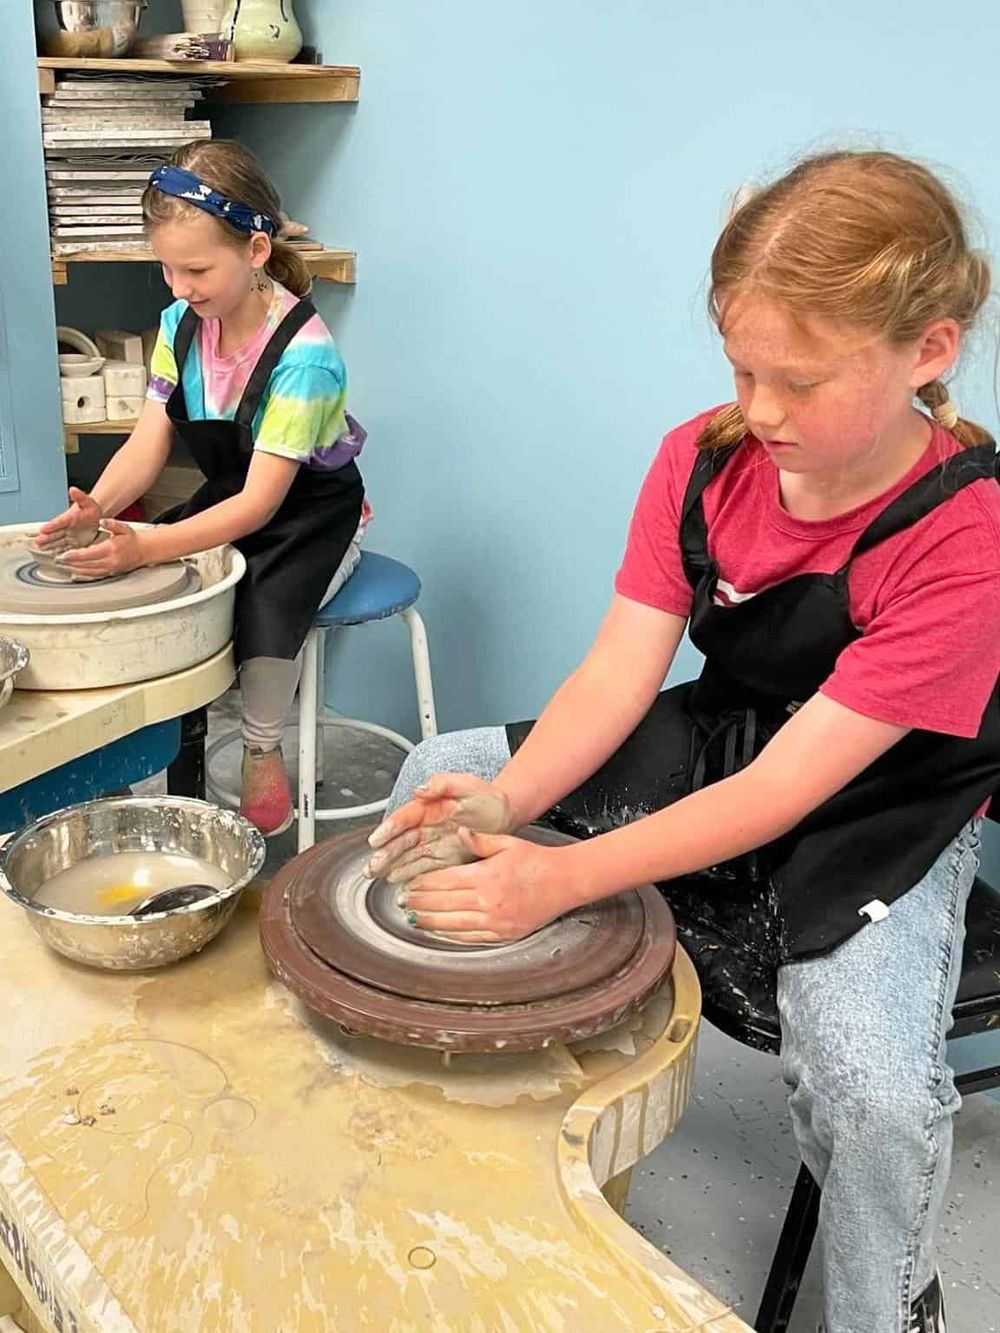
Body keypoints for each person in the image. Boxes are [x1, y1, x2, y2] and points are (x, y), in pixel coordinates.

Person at [364, 150, 1000, 1333]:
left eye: (797, 381)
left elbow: (792, 784)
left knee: (871, 1093)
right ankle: (480, 1162)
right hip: (730, 735)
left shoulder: (965, 535)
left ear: (929, 350)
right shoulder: (705, 459)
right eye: (740, 367)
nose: (758, 409)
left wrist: (557, 876)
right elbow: (618, 672)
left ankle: (886, 1307)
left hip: (883, 802)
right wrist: (502, 813)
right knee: (440, 778)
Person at [37, 140, 369, 837]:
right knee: (172, 591)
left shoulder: (303, 356)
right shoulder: (178, 326)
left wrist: (149, 545)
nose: (180, 285)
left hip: (310, 512)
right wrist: (98, 506)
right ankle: (161, 756)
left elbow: (262, 506)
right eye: (166, 266)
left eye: (195, 268)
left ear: (254, 251)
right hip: (232, 491)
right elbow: (148, 442)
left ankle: (260, 740)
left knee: (260, 599)